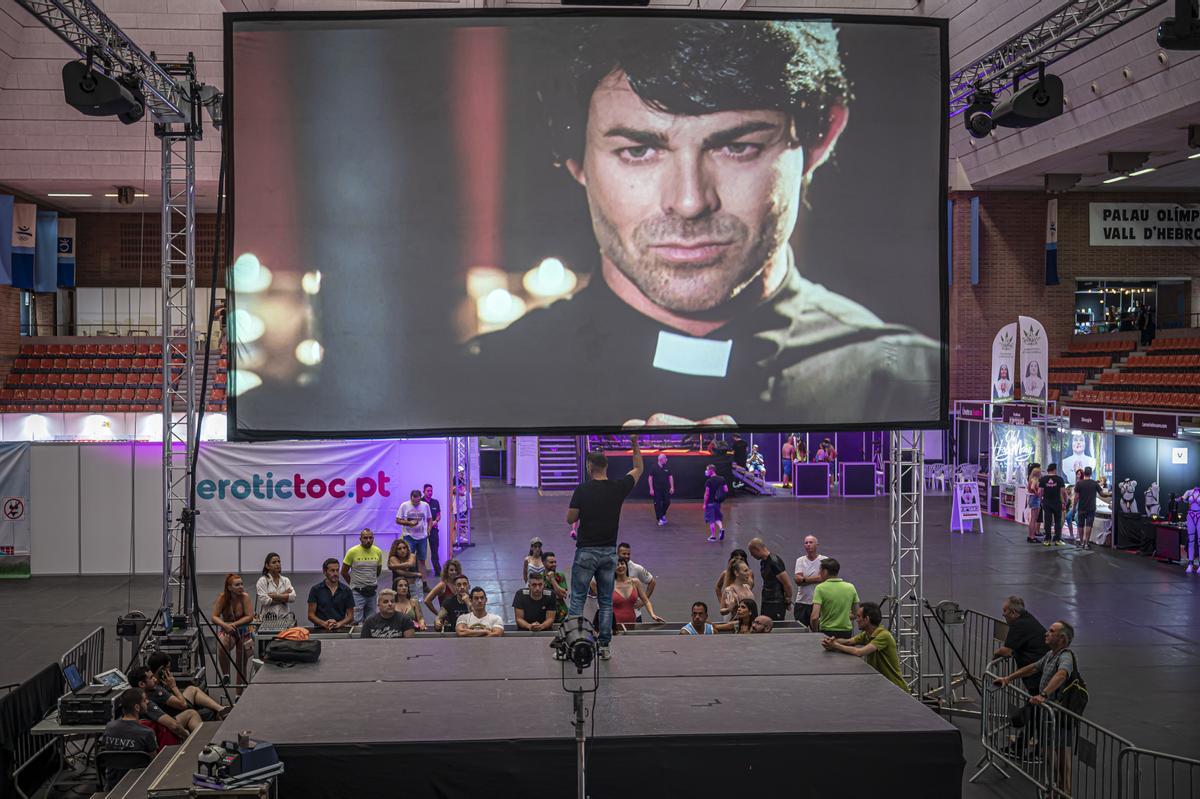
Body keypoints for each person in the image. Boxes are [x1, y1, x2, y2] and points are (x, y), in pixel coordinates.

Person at [463, 19, 939, 427]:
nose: (689, 201)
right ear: (575, 158)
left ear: (821, 137)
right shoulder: (473, 389)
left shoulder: (914, 385)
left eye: (738, 146)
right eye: (638, 150)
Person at [566, 437, 644, 660]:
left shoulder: (582, 490)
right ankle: (604, 646)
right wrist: (635, 443)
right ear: (606, 467)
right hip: (609, 552)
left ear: (589, 467)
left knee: (578, 600)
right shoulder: (618, 488)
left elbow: (570, 518)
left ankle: (573, 642)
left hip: (586, 551)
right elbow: (638, 467)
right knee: (606, 601)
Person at [993, 621, 1080, 795]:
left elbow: (1062, 674)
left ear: (1062, 638)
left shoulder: (1065, 657)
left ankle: (1065, 791)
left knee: (1062, 754)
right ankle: (1057, 789)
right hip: (1049, 715)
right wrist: (1008, 678)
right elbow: (1033, 668)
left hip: (1060, 715)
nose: (1046, 633)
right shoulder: (1051, 655)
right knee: (1052, 752)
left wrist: (1044, 695)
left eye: (1051, 631)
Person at [822, 601, 906, 689]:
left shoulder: (884, 636)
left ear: (867, 619)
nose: (856, 620)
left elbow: (859, 652)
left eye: (858, 617)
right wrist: (831, 641)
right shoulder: (866, 634)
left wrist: (835, 645)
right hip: (882, 686)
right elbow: (848, 642)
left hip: (896, 687)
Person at [98, 688, 159, 788]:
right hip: (139, 786)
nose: (147, 702)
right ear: (137, 707)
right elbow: (153, 762)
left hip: (112, 786)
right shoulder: (147, 733)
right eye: (144, 700)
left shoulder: (109, 727)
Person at [145, 652, 228, 721]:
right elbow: (183, 705)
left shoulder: (157, 684)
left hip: (173, 707)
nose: (170, 671)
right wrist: (174, 687)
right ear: (161, 670)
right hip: (177, 712)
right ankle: (221, 709)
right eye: (168, 668)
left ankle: (221, 709)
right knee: (207, 708)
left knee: (193, 690)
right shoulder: (158, 690)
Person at [993, 595, 1049, 696]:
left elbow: (1006, 651)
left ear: (1013, 612)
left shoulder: (1018, 625)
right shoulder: (1028, 617)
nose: (1003, 614)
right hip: (1041, 667)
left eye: (1005, 611)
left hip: (1036, 673)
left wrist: (995, 654)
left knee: (1037, 699)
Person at [128, 666, 201, 740]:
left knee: (192, 690)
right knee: (191, 713)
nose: (155, 679)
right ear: (141, 684)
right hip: (159, 734)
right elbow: (174, 725)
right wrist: (187, 736)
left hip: (146, 732)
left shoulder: (130, 699)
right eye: (151, 678)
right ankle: (202, 742)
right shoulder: (146, 704)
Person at [210, 574, 253, 684]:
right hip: (228, 630)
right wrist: (225, 626)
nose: (241, 587)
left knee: (241, 662)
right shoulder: (222, 598)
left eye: (242, 584)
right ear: (229, 587)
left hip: (244, 632)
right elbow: (214, 617)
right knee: (223, 645)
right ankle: (226, 675)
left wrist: (233, 624)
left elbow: (249, 616)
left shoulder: (245, 597)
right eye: (237, 585)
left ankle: (239, 695)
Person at [602, 558, 665, 627]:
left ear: (626, 565)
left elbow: (646, 601)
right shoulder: (609, 584)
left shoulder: (635, 582)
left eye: (622, 563)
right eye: (617, 565)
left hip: (632, 621)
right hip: (613, 624)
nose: (620, 566)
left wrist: (652, 614)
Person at [342, 528, 385, 623]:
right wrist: (353, 584)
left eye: (370, 538)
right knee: (355, 621)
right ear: (360, 539)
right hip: (357, 592)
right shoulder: (352, 551)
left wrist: (370, 581)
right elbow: (344, 572)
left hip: (372, 592)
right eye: (365, 538)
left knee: (372, 621)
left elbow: (377, 571)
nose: (368, 540)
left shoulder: (378, 551)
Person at [809, 558, 858, 637]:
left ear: (825, 572)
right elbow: (855, 614)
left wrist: (815, 632)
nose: (819, 573)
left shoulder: (820, 588)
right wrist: (842, 617)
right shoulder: (851, 587)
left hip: (827, 632)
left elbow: (814, 617)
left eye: (820, 570)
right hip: (846, 632)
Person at [748, 537, 792, 621]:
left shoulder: (774, 561)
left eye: (751, 552)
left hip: (776, 602)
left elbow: (787, 584)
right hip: (767, 600)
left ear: (757, 549)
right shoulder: (763, 562)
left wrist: (788, 599)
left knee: (774, 626)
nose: (751, 555)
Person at [396, 488, 433, 583]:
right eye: (414, 502)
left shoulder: (425, 505)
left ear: (420, 498)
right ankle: (406, 583)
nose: (416, 504)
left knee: (422, 561)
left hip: (422, 537)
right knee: (408, 561)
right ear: (411, 498)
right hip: (409, 536)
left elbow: (429, 519)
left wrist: (428, 530)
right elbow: (398, 520)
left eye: (417, 502)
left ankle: (424, 583)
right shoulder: (404, 505)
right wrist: (409, 523)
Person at [307, 558, 354, 631]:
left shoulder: (346, 590)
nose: (335, 573)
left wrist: (339, 624)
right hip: (320, 629)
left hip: (340, 630)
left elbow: (350, 616)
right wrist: (324, 623)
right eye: (332, 571)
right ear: (325, 572)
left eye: (337, 570)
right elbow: (310, 615)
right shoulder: (316, 590)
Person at [793, 534, 827, 625]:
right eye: (806, 543)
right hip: (802, 602)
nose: (808, 544)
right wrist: (816, 578)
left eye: (811, 542)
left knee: (818, 629)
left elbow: (822, 578)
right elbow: (797, 580)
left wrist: (804, 579)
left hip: (818, 603)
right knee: (800, 630)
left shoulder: (824, 560)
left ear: (817, 544)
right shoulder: (800, 560)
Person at [1072, 466, 1108, 551]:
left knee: (1080, 525)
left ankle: (1081, 543)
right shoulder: (1094, 483)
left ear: (1084, 473)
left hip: (1081, 507)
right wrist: (1110, 495)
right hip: (1091, 507)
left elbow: (1076, 497)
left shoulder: (1079, 483)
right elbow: (1102, 494)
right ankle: (1086, 543)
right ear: (1091, 473)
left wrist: (1074, 507)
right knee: (1089, 525)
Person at [617, 541, 657, 615]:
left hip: (635, 614)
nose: (626, 556)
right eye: (624, 554)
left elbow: (652, 582)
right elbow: (593, 582)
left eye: (628, 554)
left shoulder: (636, 568)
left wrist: (642, 602)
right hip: (616, 614)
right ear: (617, 554)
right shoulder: (610, 567)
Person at [254, 552, 295, 620]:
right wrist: (285, 596)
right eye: (274, 562)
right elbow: (265, 601)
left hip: (285, 618)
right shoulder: (262, 581)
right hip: (268, 619)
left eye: (279, 561)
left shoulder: (285, 580)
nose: (277, 564)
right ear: (267, 566)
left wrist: (275, 596)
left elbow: (293, 597)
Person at [1039, 464, 1067, 547]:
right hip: (1057, 502)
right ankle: (1057, 540)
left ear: (1048, 470)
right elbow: (1063, 492)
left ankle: (1047, 540)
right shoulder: (1059, 479)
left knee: (1047, 521)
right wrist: (1064, 501)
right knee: (1058, 521)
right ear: (1055, 469)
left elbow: (1041, 491)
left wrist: (1041, 501)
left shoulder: (1043, 479)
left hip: (1047, 502)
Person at [703, 464, 728, 542]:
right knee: (717, 517)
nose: (706, 471)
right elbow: (726, 490)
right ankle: (721, 528)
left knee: (711, 520)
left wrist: (704, 504)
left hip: (710, 503)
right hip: (717, 502)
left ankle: (713, 536)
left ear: (711, 470)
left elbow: (707, 493)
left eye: (707, 470)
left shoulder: (709, 481)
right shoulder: (722, 479)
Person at [422, 483, 443, 575]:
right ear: (424, 491)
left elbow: (438, 515)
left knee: (435, 550)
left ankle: (438, 571)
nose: (430, 492)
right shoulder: (420, 502)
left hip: (433, 529)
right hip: (422, 530)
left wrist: (435, 521)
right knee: (421, 551)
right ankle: (420, 571)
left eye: (431, 491)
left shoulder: (435, 502)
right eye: (428, 491)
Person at [649, 453, 674, 525]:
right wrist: (651, 489)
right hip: (657, 489)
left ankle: (662, 515)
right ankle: (660, 518)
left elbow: (670, 477)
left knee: (667, 502)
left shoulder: (667, 467)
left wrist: (672, 487)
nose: (666, 460)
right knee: (658, 504)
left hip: (666, 489)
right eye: (665, 458)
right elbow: (650, 478)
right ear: (661, 460)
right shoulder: (654, 467)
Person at [543, 551, 569, 620]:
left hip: (560, 613)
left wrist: (552, 580)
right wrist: (556, 594)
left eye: (555, 562)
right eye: (551, 562)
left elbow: (562, 595)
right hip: (544, 612)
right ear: (543, 563)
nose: (554, 564)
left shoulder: (560, 575)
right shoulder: (539, 578)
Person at [1026, 463, 1043, 544]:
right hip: (1034, 499)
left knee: (1032, 519)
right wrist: (1036, 493)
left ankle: (1031, 535)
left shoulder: (1031, 479)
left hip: (1031, 498)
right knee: (1033, 519)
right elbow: (1032, 487)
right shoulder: (1034, 480)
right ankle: (1032, 536)